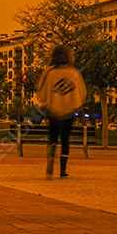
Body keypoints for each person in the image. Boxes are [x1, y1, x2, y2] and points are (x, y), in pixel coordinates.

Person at [35, 44, 87, 178]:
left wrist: (49, 102)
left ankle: (51, 151)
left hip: (53, 111)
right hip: (68, 112)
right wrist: (75, 105)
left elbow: (41, 89)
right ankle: (63, 170)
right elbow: (81, 92)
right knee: (65, 139)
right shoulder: (73, 72)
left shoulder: (49, 72)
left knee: (52, 136)